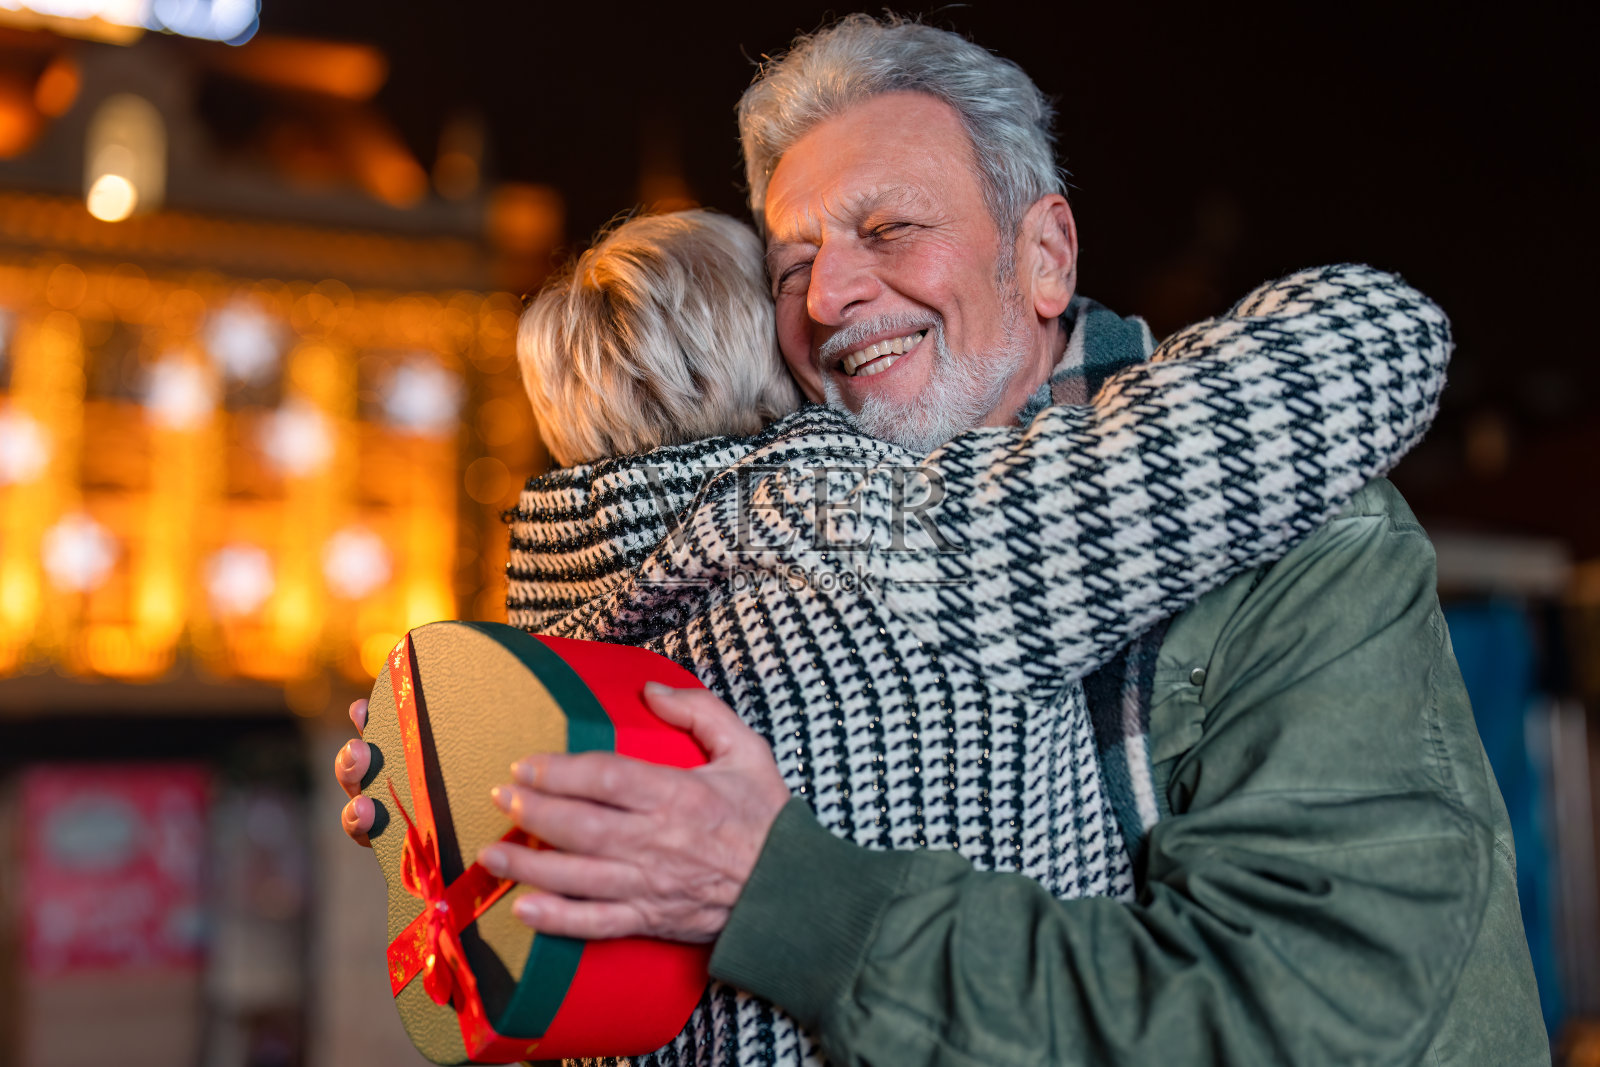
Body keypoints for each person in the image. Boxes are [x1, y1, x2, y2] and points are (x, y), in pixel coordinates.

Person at [338, 14, 1546, 1065]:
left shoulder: (1294, 533)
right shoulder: (777, 553)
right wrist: (501, 805)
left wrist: (783, 894)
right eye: (793, 264)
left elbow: (1315, 1022)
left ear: (1045, 254)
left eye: (891, 228)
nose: (828, 298)